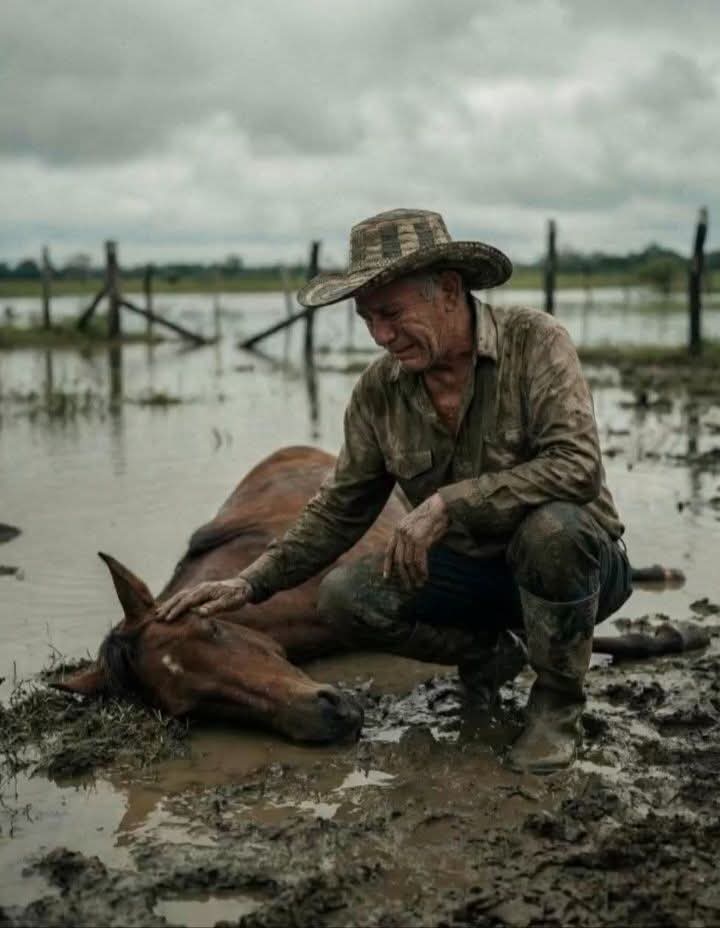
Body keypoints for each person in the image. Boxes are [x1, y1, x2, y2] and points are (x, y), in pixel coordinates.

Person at [156, 208, 632, 773]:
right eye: (367, 319)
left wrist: (450, 502)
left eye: (393, 313)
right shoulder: (379, 392)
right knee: (344, 597)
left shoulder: (535, 343)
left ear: (450, 290)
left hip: (579, 570)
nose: (382, 336)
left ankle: (556, 705)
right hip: (473, 579)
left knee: (551, 529)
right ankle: (489, 654)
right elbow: (339, 509)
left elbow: (578, 467)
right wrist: (252, 581)